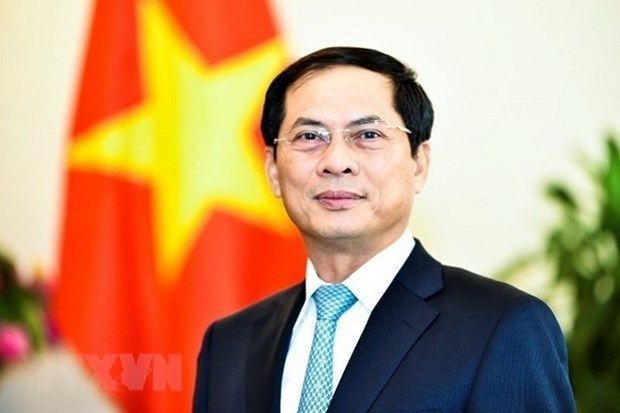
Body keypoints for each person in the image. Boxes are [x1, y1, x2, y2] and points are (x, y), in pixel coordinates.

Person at [193, 47, 575, 412]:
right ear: (273, 171)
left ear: (418, 163)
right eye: (310, 136)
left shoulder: (501, 326)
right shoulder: (228, 344)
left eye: (368, 135)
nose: (336, 161)